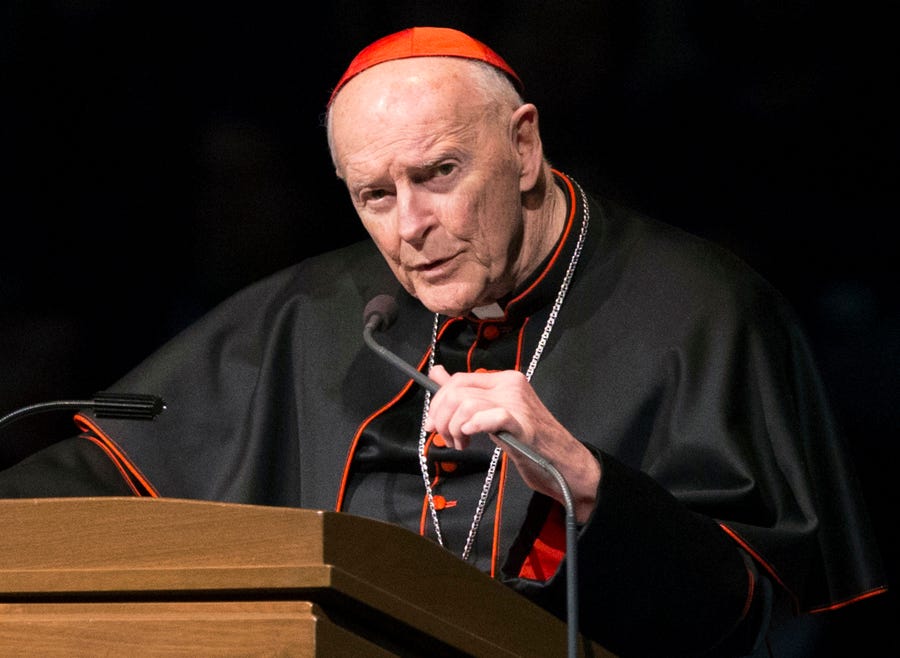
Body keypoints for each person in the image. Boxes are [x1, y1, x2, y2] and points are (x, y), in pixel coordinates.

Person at [0, 26, 888, 657]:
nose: (411, 228)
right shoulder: (315, 309)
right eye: (375, 195)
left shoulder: (702, 308)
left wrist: (586, 484)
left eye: (440, 174)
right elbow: (97, 482)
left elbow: (750, 622)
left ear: (525, 145)